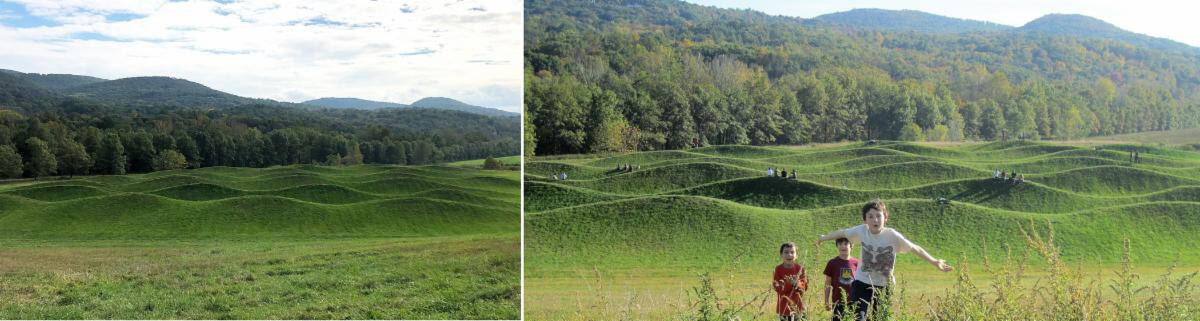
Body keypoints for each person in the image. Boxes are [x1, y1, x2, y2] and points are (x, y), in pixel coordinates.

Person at [816, 199, 953, 321]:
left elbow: (914, 248)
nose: (875, 220)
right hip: (862, 281)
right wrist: (823, 238)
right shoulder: (861, 231)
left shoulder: (892, 235)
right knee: (859, 316)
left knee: (879, 317)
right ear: (865, 220)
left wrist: (935, 262)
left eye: (878, 216)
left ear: (885, 217)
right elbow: (842, 232)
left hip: (884, 285)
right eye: (870, 216)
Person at [824, 237, 860, 321]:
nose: (842, 246)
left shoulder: (857, 263)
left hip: (854, 301)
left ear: (851, 246)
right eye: (840, 244)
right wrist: (826, 300)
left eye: (845, 244)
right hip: (838, 301)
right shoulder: (832, 263)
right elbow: (827, 283)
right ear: (837, 246)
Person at [774, 242, 809, 321]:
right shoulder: (778, 269)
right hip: (784, 308)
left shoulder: (801, 269)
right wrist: (790, 284)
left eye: (792, 252)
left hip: (799, 307)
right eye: (786, 252)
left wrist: (797, 284)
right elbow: (777, 288)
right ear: (781, 255)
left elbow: (805, 287)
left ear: (796, 255)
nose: (789, 255)